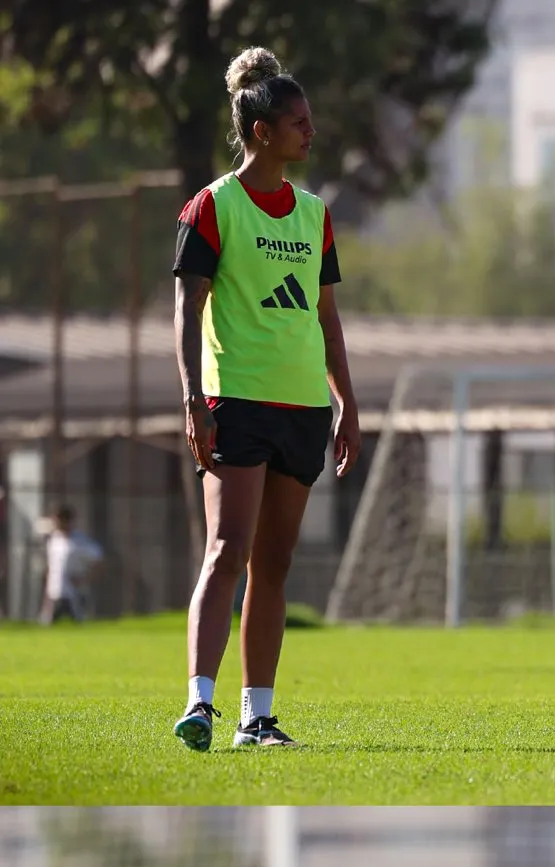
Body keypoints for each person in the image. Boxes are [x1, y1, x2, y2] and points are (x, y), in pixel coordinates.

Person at [171, 46, 360, 752]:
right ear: (261, 133)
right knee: (227, 549)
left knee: (274, 567)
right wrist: (193, 400)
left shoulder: (315, 215)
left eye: (310, 122)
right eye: (298, 123)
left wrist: (347, 402)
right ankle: (199, 703)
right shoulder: (211, 207)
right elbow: (185, 311)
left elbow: (327, 318)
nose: (310, 133)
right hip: (236, 404)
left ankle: (259, 719)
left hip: (303, 408)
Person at [36, 506, 104, 623]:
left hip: (74, 594)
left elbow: (99, 562)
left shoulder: (80, 541)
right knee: (47, 626)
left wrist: (85, 579)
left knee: (79, 625)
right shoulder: (54, 540)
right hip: (54, 593)